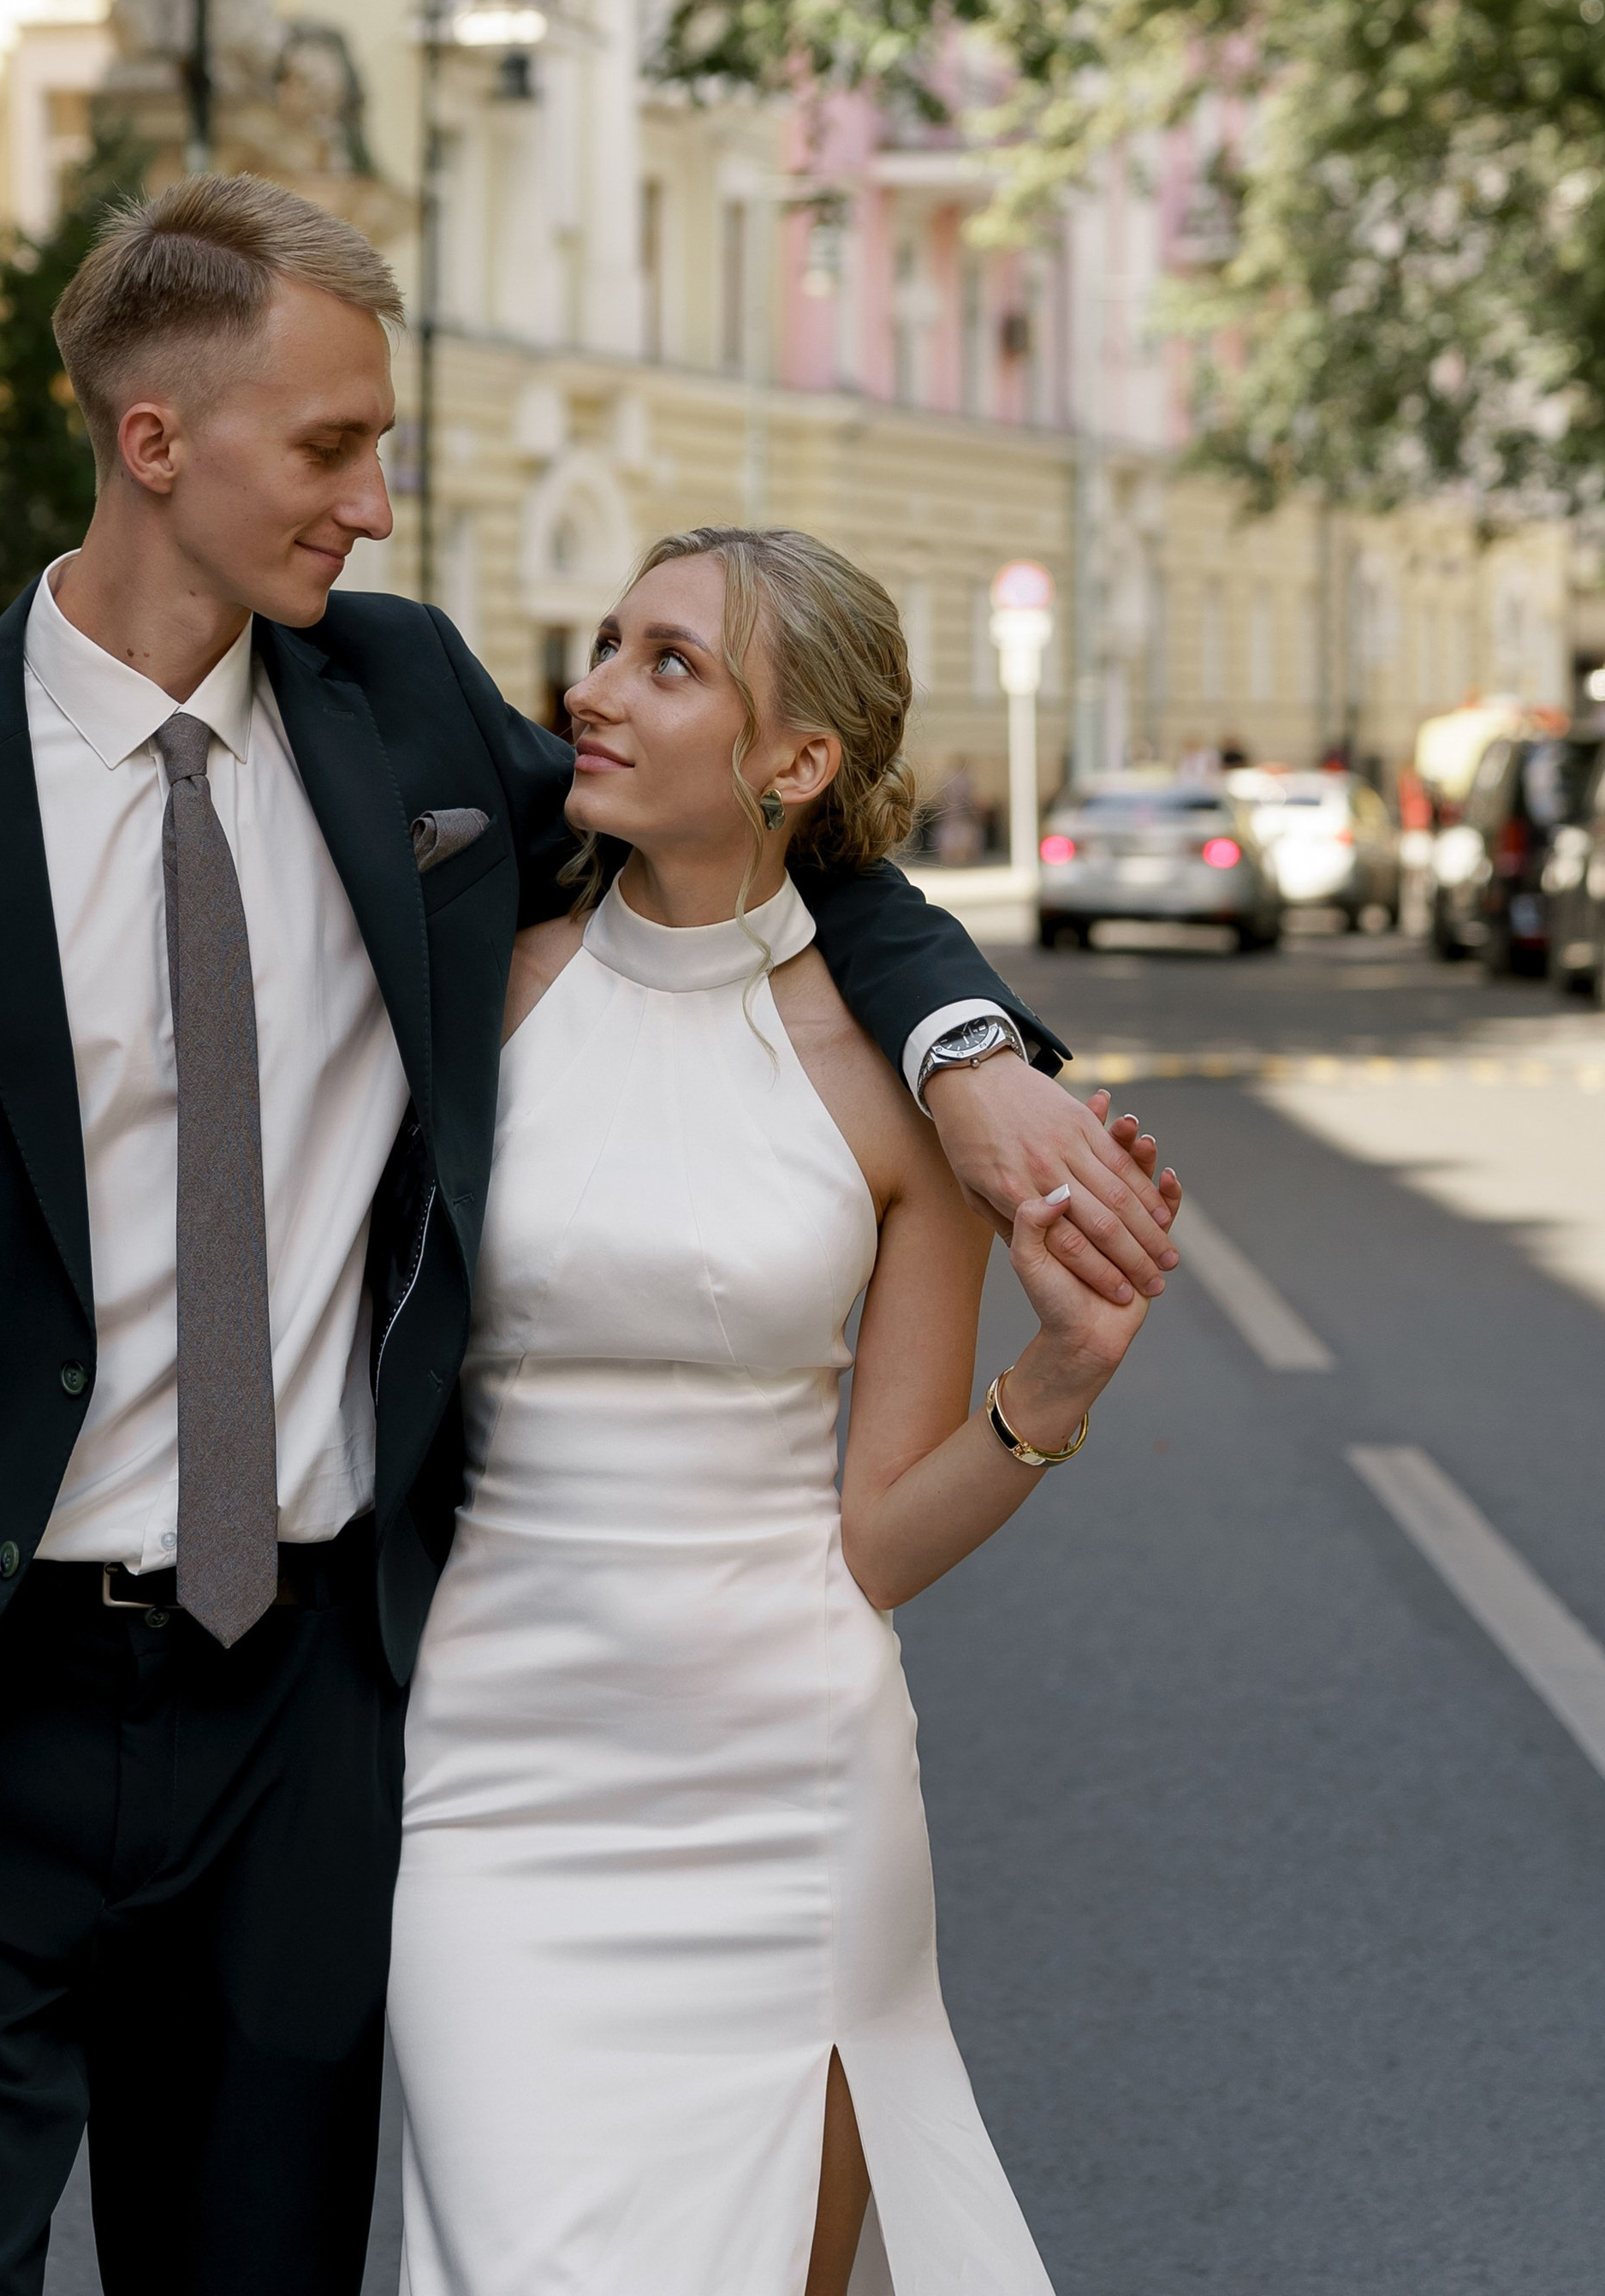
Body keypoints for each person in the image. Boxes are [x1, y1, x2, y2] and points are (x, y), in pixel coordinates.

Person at [0, 174, 1180, 2296]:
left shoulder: (412, 720)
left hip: (302, 1726)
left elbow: (774, 853)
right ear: (153, 440)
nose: (378, 504)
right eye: (333, 446)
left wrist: (968, 1050)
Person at [387, 529, 1164, 2296]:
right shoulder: (479, 996)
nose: (586, 692)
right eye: (603, 646)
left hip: (785, 1792)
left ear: (794, 762)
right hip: (492, 1779)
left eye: (667, 665)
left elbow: (878, 1535)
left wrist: (1050, 1386)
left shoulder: (902, 1095)